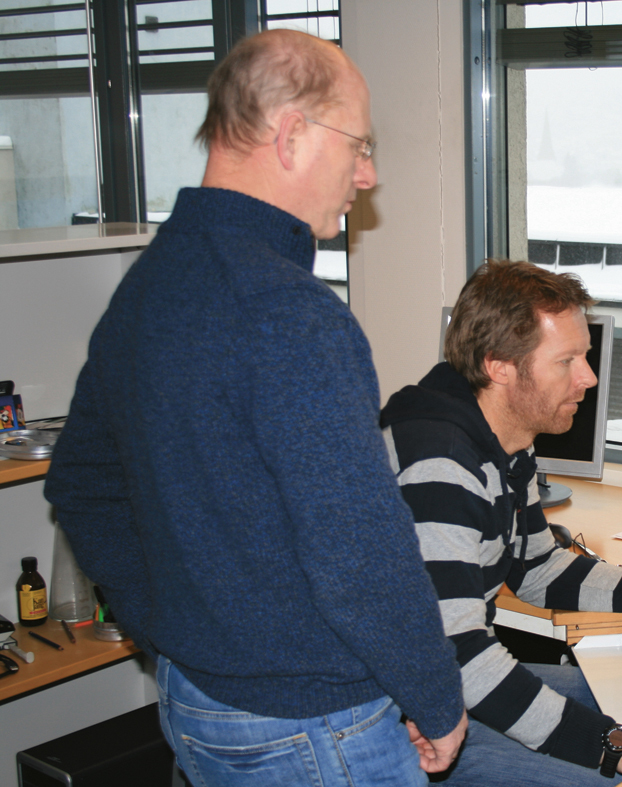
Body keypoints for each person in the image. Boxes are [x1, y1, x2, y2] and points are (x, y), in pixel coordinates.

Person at [43, 29, 466, 787]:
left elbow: (81, 483)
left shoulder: (150, 284)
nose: (367, 173)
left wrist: (162, 626)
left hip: (196, 698)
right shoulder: (290, 312)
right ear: (292, 133)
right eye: (359, 145)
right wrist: (437, 698)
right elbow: (357, 553)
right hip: (314, 724)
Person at [380, 260, 622, 786]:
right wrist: (619, 745)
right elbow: (455, 654)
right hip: (402, 714)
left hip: (440, 686)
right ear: (499, 366)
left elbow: (540, 570)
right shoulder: (441, 464)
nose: (589, 377)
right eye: (567, 361)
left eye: (585, 355)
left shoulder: (505, 440)